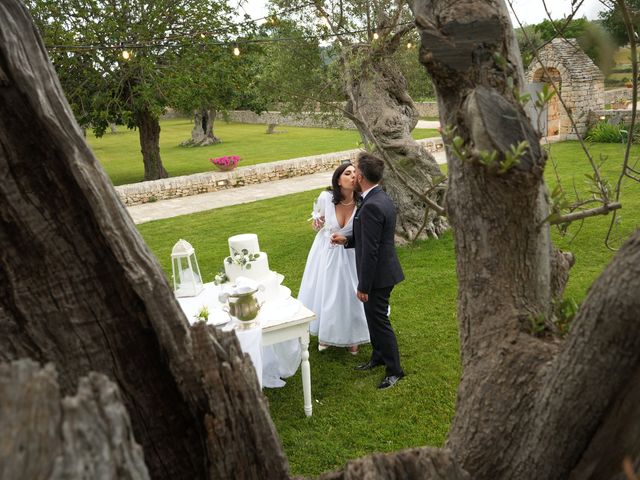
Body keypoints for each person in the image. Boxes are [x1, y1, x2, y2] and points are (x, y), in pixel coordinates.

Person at [331, 152, 405, 389]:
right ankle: (378, 356)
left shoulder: (373, 204)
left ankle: (395, 370)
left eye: (355, 171)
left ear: (360, 176)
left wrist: (364, 286)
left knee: (379, 321)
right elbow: (367, 239)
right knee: (373, 319)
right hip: (382, 271)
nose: (353, 175)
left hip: (379, 276)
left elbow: (372, 251)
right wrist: (347, 241)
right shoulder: (376, 197)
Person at [298, 162, 370, 355]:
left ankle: (353, 337)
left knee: (351, 294)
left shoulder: (363, 201)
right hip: (326, 252)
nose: (353, 175)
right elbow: (318, 218)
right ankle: (326, 335)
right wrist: (317, 221)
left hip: (350, 252)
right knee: (327, 292)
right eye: (347, 173)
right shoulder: (326, 197)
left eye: (356, 172)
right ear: (338, 179)